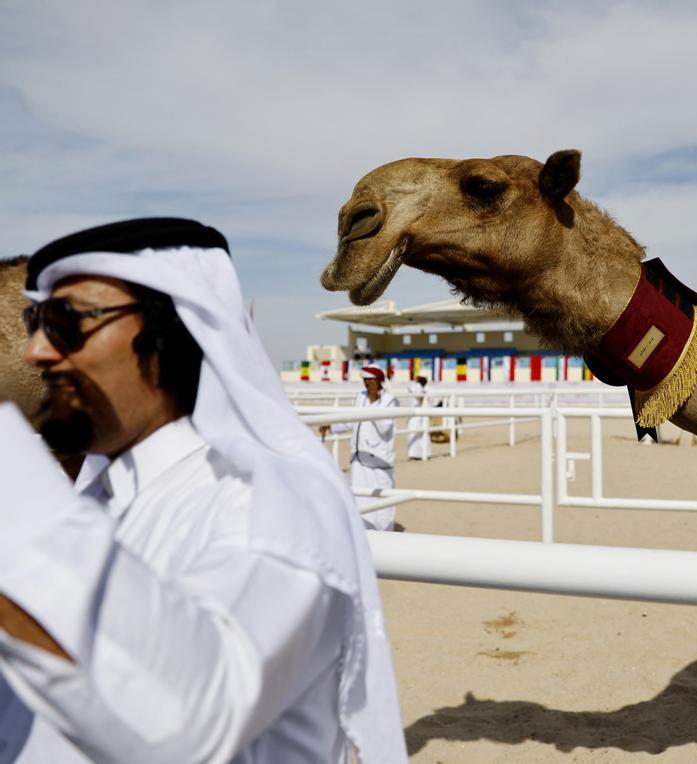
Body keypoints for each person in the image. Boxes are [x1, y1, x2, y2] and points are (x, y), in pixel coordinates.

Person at [0, 218, 405, 762]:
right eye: (37, 321)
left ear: (173, 331)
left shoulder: (270, 501)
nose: (37, 352)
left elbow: (189, 718)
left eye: (68, 322)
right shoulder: (97, 499)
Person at [319, 366, 402, 531]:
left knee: (382, 503)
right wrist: (331, 425)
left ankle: (386, 537)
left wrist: (373, 403)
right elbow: (352, 420)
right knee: (359, 501)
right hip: (359, 459)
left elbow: (384, 427)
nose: (367, 384)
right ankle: (363, 535)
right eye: (365, 380)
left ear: (379, 381)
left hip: (379, 461)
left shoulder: (389, 401)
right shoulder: (360, 397)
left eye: (370, 380)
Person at [406, 375, 432, 460]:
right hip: (416, 413)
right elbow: (419, 396)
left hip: (417, 414)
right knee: (418, 433)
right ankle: (419, 453)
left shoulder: (419, 387)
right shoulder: (416, 386)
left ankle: (418, 454)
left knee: (417, 433)